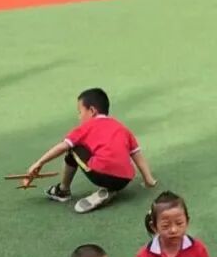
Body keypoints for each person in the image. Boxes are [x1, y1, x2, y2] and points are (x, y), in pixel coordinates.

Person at [23, 88, 156, 214]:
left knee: (72, 147)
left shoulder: (85, 127)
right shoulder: (122, 127)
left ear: (92, 111)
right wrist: (148, 179)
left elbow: (63, 146)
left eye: (80, 112)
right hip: (124, 180)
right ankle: (110, 190)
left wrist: (39, 162)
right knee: (99, 154)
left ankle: (63, 190)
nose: (79, 117)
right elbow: (136, 153)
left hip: (102, 175)